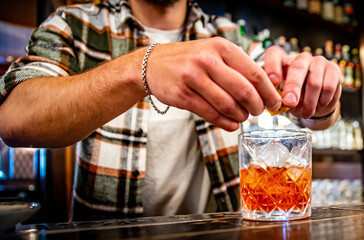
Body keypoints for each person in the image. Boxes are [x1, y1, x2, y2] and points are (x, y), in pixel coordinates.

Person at [0, 0, 341, 220]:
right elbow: (14, 120)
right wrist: (140, 68)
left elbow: (301, 109)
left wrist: (320, 97)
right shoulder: (74, 25)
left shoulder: (228, 35)